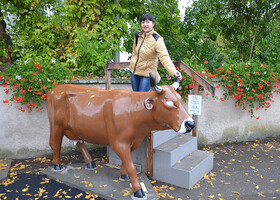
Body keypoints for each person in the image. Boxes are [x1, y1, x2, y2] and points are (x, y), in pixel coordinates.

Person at [129, 13, 182, 92]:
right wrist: (132, 61)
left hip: (147, 75)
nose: (145, 24)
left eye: (147, 22)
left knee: (143, 98)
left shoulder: (157, 39)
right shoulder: (138, 35)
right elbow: (134, 51)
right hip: (134, 72)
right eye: (143, 22)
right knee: (136, 98)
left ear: (153, 24)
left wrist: (173, 72)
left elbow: (164, 57)